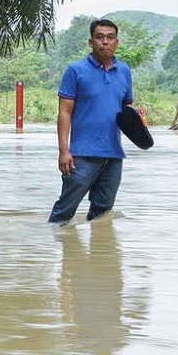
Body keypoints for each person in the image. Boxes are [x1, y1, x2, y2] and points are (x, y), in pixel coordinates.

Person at [48, 18, 133, 224]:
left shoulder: (124, 71)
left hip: (113, 155)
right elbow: (64, 113)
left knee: (102, 215)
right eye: (100, 37)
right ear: (91, 42)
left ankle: (98, 254)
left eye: (110, 38)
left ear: (117, 42)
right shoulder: (76, 70)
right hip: (81, 155)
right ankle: (56, 248)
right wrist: (63, 151)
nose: (105, 42)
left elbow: (127, 110)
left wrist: (140, 125)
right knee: (64, 211)